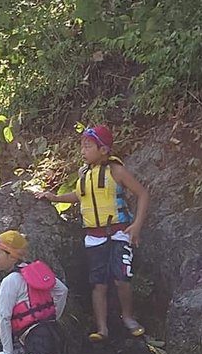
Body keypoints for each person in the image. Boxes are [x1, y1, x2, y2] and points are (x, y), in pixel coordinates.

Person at [35, 124, 150, 341]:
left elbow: (142, 193)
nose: (83, 151)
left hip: (118, 233)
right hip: (94, 237)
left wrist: (136, 225)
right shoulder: (83, 173)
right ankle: (102, 328)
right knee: (98, 283)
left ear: (103, 150)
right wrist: (55, 197)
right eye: (82, 146)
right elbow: (80, 196)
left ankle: (128, 317)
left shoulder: (116, 171)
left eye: (88, 146)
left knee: (121, 278)